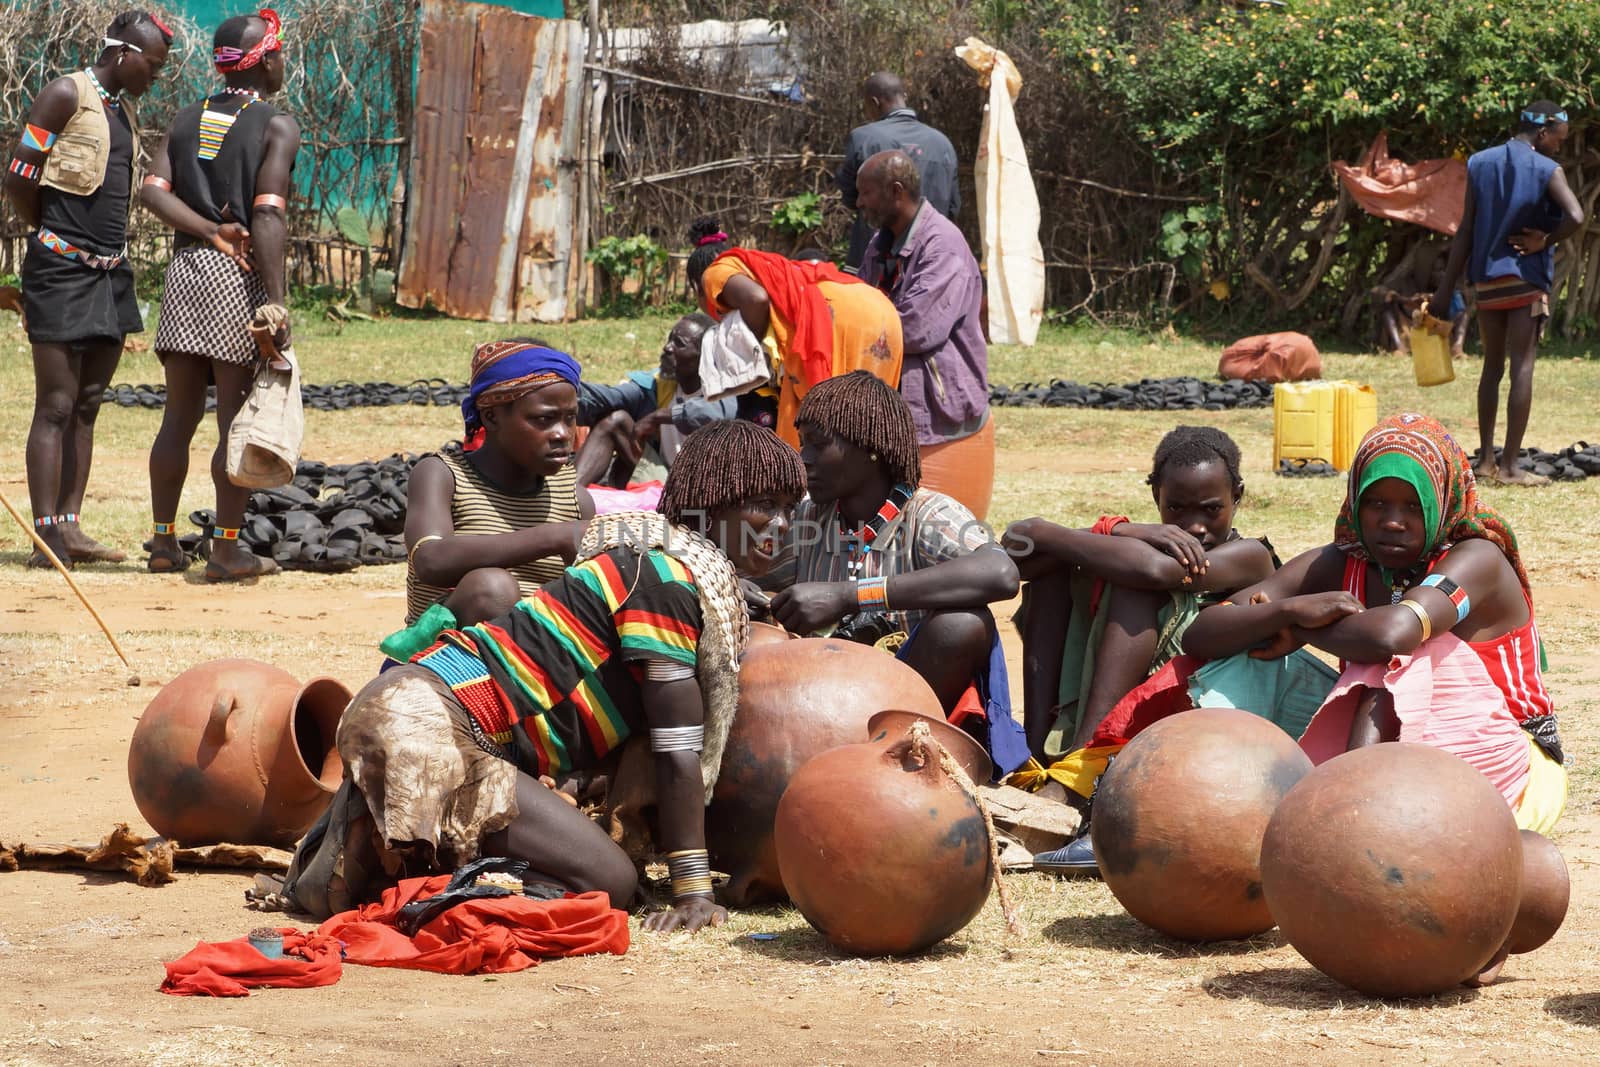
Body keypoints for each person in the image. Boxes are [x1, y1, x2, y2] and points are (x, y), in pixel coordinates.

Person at [282, 419, 806, 935]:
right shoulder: (665, 580)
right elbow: (676, 748)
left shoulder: (664, 565)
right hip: (429, 723)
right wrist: (693, 890)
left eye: (788, 509)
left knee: (600, 870)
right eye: (763, 506)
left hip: (423, 712)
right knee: (609, 885)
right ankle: (397, 871)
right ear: (711, 505)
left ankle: (381, 847)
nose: (780, 526)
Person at [1184, 413, 1566, 833]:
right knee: (1245, 655)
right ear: (1356, 501)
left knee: (1396, 652)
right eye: (1376, 503)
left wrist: (1303, 629)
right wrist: (1286, 611)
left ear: (1441, 500)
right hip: (1395, 753)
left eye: (1412, 506)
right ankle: (1222, 801)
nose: (1392, 522)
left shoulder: (1477, 558)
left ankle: (1349, 822)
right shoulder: (1341, 560)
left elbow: (1392, 636)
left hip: (1503, 767)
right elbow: (1200, 634)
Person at [1001, 428, 1278, 873]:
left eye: (1211, 510)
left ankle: (1081, 778)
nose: (1194, 528)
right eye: (1176, 509)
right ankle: (1039, 761)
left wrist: (1082, 532)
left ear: (1238, 495)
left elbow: (1153, 571)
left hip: (1187, 712)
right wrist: (1124, 530)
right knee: (1053, 579)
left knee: (1131, 586)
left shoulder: (1251, 556)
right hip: (1114, 697)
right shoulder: (1145, 539)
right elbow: (1018, 549)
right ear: (1155, 494)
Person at [764, 371, 1027, 774]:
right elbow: (759, 577)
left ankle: (888, 761)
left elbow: (1001, 573)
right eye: (803, 445)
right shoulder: (809, 518)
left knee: (961, 625)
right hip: (821, 699)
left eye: (818, 444)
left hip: (907, 703)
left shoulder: (928, 514)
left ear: (870, 448)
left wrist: (848, 596)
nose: (806, 458)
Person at [5, 12, 173, 567]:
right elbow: (19, 177)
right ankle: (46, 534)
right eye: (151, 65)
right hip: (59, 270)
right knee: (55, 404)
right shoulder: (64, 94)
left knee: (88, 404)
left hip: (109, 273)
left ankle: (71, 526)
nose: (154, 76)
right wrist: (49, 233)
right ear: (124, 53)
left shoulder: (120, 109)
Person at [140, 9, 300, 580]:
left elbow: (153, 192)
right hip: (236, 280)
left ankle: (163, 544)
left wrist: (204, 231)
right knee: (236, 421)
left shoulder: (187, 118)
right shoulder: (275, 125)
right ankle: (226, 550)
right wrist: (275, 300)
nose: (285, 62)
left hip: (185, 274)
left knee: (177, 416)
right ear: (267, 61)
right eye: (280, 54)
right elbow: (267, 213)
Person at [378, 340, 593, 664]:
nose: (562, 433)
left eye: (569, 418)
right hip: (439, 663)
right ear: (491, 417)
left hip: (538, 668)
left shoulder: (574, 499)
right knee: (492, 589)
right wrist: (558, 536)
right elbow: (430, 559)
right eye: (543, 420)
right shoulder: (443, 475)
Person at [1430, 101, 1585, 487]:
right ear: (1544, 132)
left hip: (1487, 285)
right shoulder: (1547, 169)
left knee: (1491, 369)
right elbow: (1578, 217)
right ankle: (1512, 467)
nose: (1559, 148)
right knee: (1523, 368)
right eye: (1558, 140)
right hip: (1525, 282)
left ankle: (1485, 461)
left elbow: (1465, 230)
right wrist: (1545, 240)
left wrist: (1444, 292)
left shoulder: (1479, 163)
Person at [856, 149, 993, 519]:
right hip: (895, 409)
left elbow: (917, 329)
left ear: (896, 191)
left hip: (938, 415)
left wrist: (861, 329)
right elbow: (862, 303)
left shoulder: (942, 245)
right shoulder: (880, 243)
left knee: (936, 531)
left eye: (866, 192)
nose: (858, 202)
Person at [688, 217, 903, 447]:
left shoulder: (715, 272)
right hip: (880, 310)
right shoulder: (763, 267)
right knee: (868, 426)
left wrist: (757, 353)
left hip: (834, 315)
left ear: (696, 286)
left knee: (812, 439)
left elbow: (755, 299)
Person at [574, 313, 776, 488]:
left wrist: (658, 417)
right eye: (670, 340)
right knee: (616, 420)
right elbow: (609, 396)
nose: (667, 348)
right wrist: (564, 386)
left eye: (679, 344)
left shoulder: (725, 388)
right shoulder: (659, 384)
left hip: (703, 486)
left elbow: (715, 414)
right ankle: (568, 498)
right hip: (663, 473)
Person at [835, 72, 960, 272]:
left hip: (877, 262)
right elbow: (953, 208)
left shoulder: (863, 138)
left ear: (874, 102)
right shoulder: (943, 144)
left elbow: (852, 199)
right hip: (930, 261)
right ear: (904, 97)